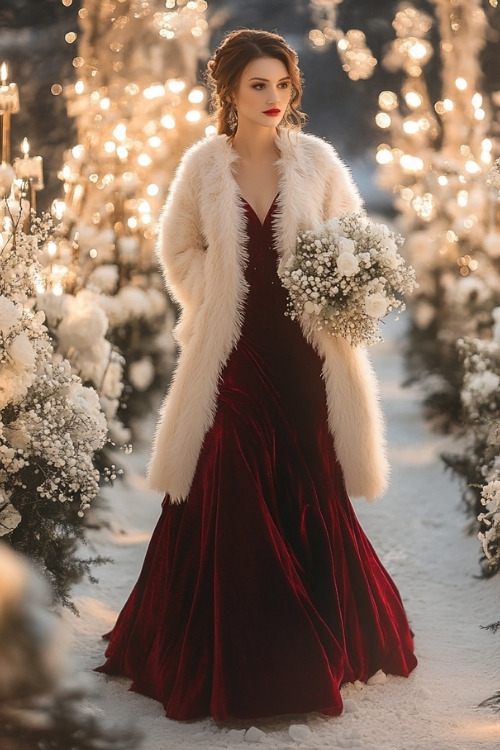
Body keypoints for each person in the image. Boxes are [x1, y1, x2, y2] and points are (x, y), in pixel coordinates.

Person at [97, 28, 417, 721]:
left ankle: (318, 631)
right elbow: (176, 247)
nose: (275, 98)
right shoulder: (204, 168)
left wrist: (340, 290)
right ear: (231, 94)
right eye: (258, 86)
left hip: (307, 357)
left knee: (307, 482)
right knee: (232, 466)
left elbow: (353, 244)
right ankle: (256, 651)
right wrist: (213, 294)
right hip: (233, 353)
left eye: (282, 84)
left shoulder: (321, 163)